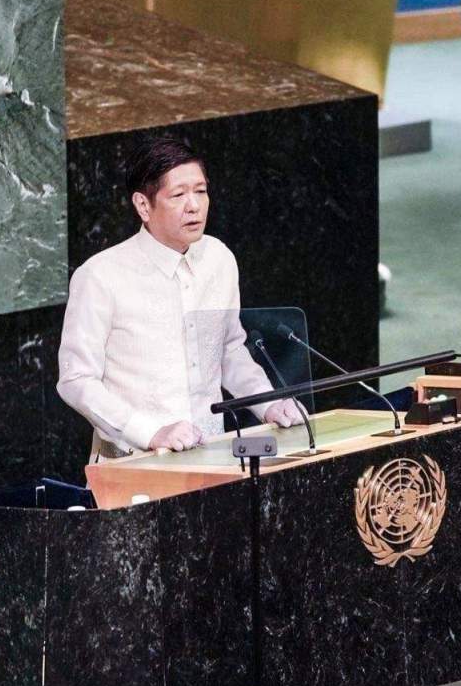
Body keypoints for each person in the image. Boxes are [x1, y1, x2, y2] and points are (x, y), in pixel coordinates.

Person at [57, 136, 302, 459]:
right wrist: (149, 432)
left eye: (200, 191)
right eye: (178, 195)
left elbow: (228, 350)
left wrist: (268, 403)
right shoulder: (100, 275)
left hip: (213, 455)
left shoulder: (219, 259)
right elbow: (76, 380)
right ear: (143, 205)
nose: (194, 205)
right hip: (135, 463)